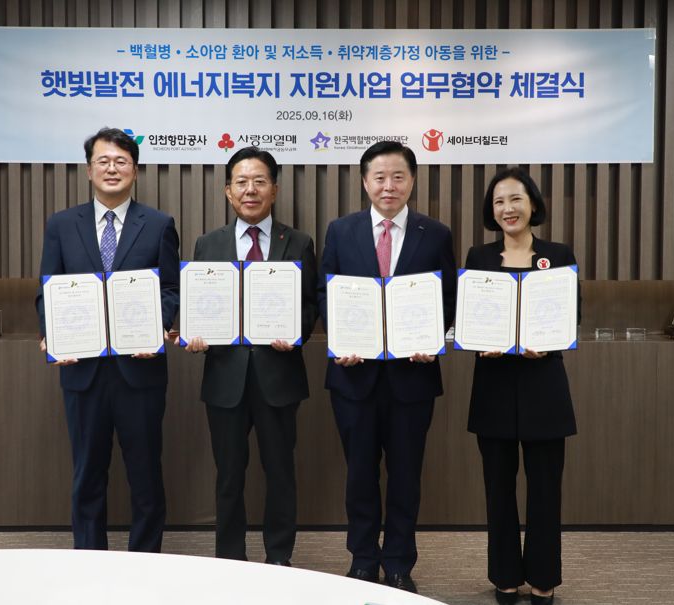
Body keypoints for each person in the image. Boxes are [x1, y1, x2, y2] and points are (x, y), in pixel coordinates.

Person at [317, 140, 456, 593]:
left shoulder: (435, 234)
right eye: (379, 177)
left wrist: (431, 339)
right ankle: (362, 558)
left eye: (398, 176)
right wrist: (340, 340)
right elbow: (325, 293)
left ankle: (398, 562)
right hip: (353, 375)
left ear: (412, 181)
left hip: (411, 376)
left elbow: (447, 297)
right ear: (365, 182)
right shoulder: (341, 231)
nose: (389, 186)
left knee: (405, 475)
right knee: (359, 473)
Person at [35, 127, 180, 552]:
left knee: (146, 476)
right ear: (89, 170)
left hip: (141, 370)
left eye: (121, 161)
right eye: (103, 161)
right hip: (82, 371)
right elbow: (48, 289)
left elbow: (170, 288)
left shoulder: (159, 224)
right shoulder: (62, 224)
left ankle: (146, 560)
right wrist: (52, 334)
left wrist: (158, 326)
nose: (112, 168)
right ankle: (89, 560)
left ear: (135, 170)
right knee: (87, 476)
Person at [181, 147, 318, 565]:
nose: (250, 190)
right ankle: (230, 560)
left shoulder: (299, 242)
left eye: (260, 181)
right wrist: (195, 335)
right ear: (228, 191)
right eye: (241, 182)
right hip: (225, 377)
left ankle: (279, 559)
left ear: (274, 189)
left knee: (281, 474)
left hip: (279, 376)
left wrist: (296, 334)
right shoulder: (209, 244)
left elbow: (310, 304)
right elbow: (199, 304)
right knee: (228, 477)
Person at [465, 167, 579, 605]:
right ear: (491, 211)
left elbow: (572, 314)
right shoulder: (479, 256)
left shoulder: (557, 254)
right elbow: (467, 315)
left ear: (532, 204)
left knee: (546, 489)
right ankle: (505, 576)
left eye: (515, 199)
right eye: (499, 202)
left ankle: (544, 579)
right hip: (493, 384)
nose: (507, 208)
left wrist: (545, 344)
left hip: (543, 384)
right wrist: (479, 342)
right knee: (498, 488)